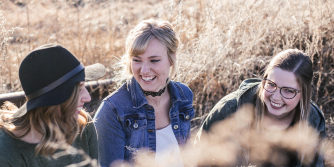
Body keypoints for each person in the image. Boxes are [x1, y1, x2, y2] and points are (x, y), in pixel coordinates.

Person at [194, 49, 326, 166]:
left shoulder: (313, 121)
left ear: (304, 93)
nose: (275, 97)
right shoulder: (230, 109)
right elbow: (198, 156)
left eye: (288, 90)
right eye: (271, 84)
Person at [94, 19, 194, 167]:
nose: (144, 70)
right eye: (137, 60)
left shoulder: (183, 96)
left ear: (171, 59)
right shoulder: (112, 111)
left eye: (154, 60)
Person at [0, 44, 106, 166]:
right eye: (79, 89)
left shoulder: (83, 126)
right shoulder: (6, 152)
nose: (88, 98)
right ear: (54, 98)